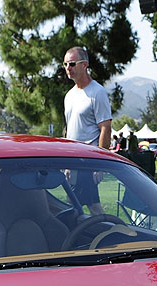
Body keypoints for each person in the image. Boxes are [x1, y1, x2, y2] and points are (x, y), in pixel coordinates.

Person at [63, 46, 112, 215]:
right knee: (73, 206)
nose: (68, 68)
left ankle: (108, 236)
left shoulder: (97, 92)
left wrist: (99, 164)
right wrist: (66, 162)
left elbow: (105, 128)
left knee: (91, 207)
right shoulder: (69, 95)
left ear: (84, 65)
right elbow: (70, 130)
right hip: (72, 162)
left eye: (72, 64)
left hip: (88, 161)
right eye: (65, 64)